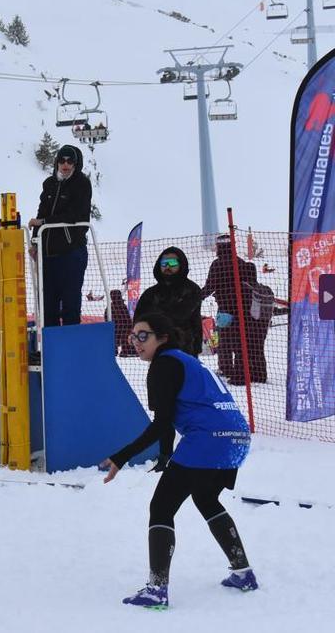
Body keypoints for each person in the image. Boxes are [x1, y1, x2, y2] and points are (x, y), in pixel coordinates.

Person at [100, 312, 256, 609]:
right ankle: (243, 573)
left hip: (207, 439)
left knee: (161, 507)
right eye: (133, 336)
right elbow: (171, 421)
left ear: (163, 338)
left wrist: (121, 457)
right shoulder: (185, 361)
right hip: (236, 438)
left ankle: (157, 589)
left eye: (143, 335)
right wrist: (166, 454)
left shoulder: (164, 364)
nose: (136, 341)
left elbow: (162, 423)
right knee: (207, 499)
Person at [29, 144, 92, 327]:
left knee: (70, 301)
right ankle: (52, 349)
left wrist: (45, 222)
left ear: (75, 163)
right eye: (62, 160)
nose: (65, 165)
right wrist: (35, 241)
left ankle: (71, 346)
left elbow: (78, 215)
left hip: (71, 251)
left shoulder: (81, 184)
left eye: (70, 161)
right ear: (57, 162)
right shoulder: (50, 184)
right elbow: (41, 212)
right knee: (48, 303)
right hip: (48, 253)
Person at [199, 236, 256, 383]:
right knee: (239, 342)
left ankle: (226, 368)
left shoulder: (217, 264)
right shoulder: (241, 263)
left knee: (224, 340)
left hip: (225, 309)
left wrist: (197, 297)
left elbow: (210, 286)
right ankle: (240, 370)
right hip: (244, 309)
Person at [134, 247, 203, 356]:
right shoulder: (150, 293)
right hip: (157, 350)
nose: (168, 267)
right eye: (164, 263)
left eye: (172, 263)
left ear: (181, 264)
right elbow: (139, 319)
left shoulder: (191, 289)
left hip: (186, 349)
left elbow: (179, 315)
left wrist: (154, 319)